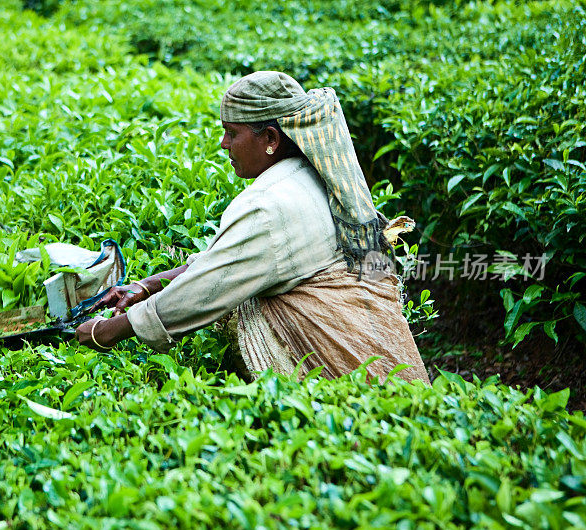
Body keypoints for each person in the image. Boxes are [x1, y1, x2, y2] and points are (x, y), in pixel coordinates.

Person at [75, 71, 430, 384]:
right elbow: (227, 259)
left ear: (271, 139)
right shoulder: (310, 173)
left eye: (232, 133)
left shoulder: (268, 204)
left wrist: (105, 332)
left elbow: (206, 289)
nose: (223, 144)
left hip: (342, 375)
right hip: (382, 366)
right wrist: (147, 286)